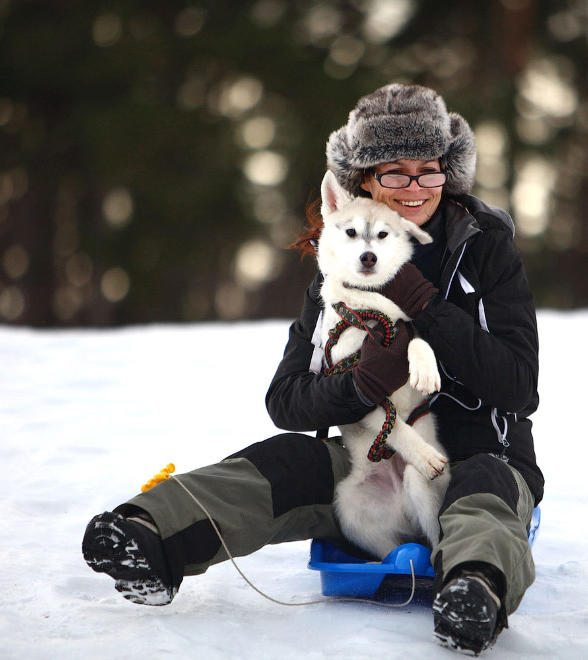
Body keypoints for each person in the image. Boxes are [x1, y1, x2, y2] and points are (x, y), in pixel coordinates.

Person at [82, 83, 543, 655]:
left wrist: (425, 305)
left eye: (429, 170)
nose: (415, 187)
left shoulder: (487, 249)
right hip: (369, 460)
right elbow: (287, 399)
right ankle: (147, 534)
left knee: (481, 488)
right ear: (363, 181)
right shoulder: (340, 268)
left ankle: (475, 592)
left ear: (448, 173)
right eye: (394, 172)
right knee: (288, 460)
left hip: (479, 458)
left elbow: (519, 387)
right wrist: (356, 387)